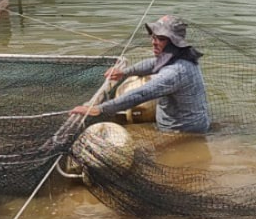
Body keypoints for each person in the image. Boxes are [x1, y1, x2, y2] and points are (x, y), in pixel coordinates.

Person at [71, 14, 210, 133]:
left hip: (183, 132)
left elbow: (141, 94)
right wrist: (124, 72)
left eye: (161, 39)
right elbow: (152, 63)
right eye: (153, 37)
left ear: (174, 43)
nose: (154, 42)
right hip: (187, 123)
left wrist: (100, 109)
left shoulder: (175, 72)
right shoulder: (180, 56)